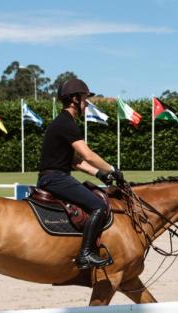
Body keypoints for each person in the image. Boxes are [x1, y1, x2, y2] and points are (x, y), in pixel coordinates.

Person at [38, 78, 125, 270]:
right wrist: (112, 169)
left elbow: (75, 161)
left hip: (56, 176)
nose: (87, 103)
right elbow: (87, 154)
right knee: (99, 206)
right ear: (75, 99)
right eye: (85, 98)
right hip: (55, 178)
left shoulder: (62, 122)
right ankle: (85, 254)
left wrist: (100, 175)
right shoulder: (66, 123)